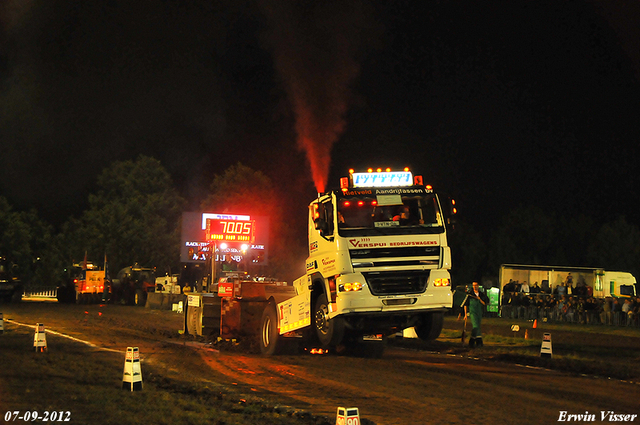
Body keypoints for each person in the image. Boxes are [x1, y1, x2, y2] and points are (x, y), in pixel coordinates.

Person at [462, 281, 490, 348]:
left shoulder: (481, 295)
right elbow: (465, 304)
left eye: (476, 285)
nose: (475, 286)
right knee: (475, 326)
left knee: (478, 327)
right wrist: (465, 314)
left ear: (478, 286)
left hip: (479, 312)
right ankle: (479, 341)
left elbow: (485, 303)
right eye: (473, 285)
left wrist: (479, 299)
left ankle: (472, 341)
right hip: (472, 312)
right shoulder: (469, 295)